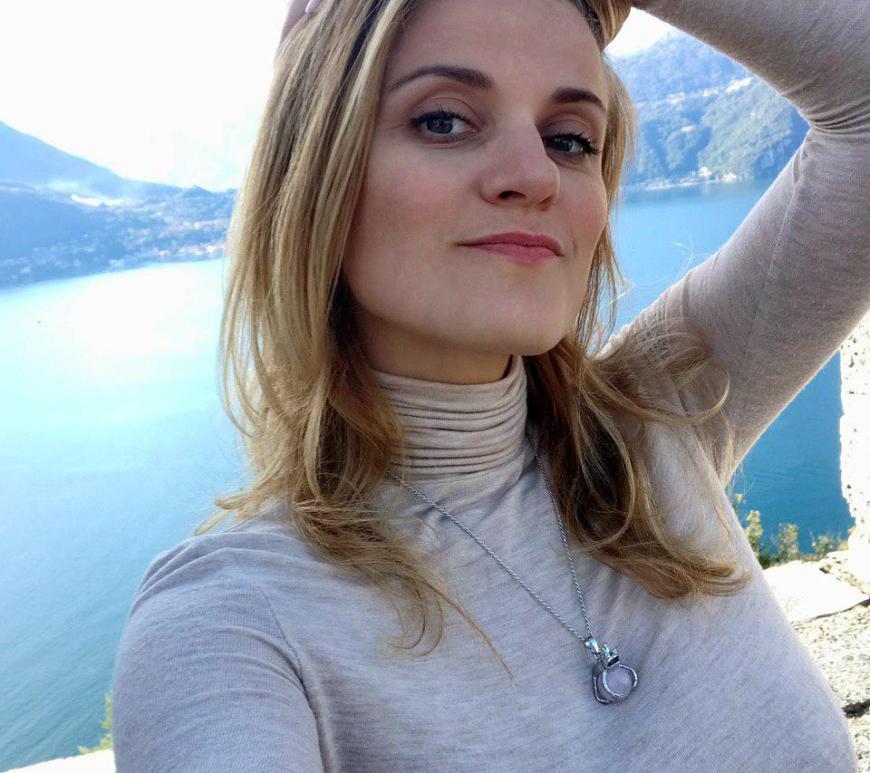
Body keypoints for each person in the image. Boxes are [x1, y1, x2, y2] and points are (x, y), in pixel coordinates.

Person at [110, 0, 868, 769]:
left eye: (570, 139)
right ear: (317, 170)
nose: (535, 175)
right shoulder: (228, 628)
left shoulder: (658, 418)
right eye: (443, 121)